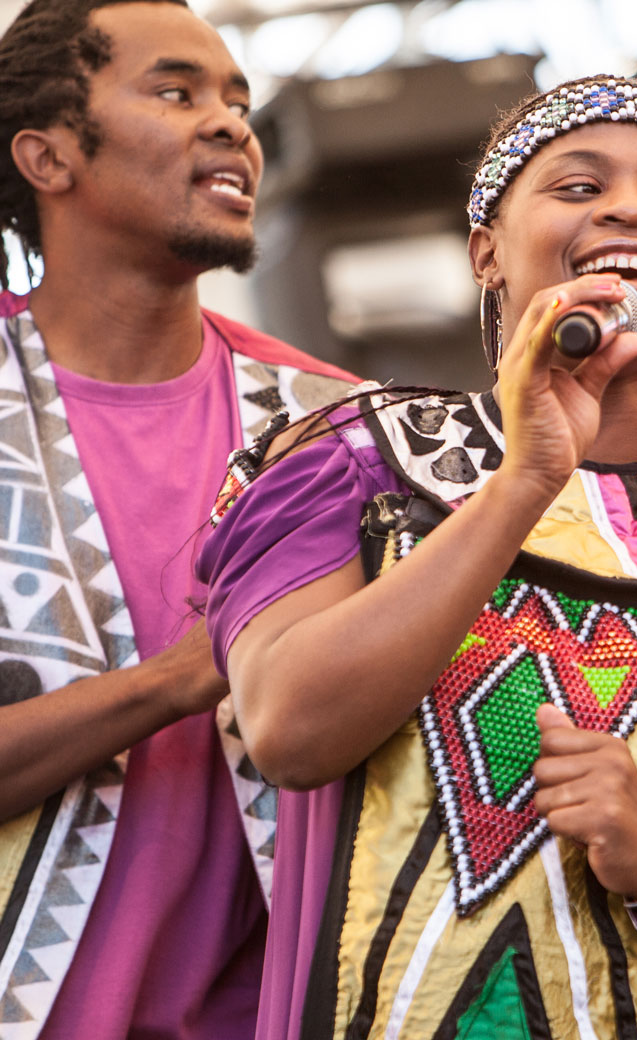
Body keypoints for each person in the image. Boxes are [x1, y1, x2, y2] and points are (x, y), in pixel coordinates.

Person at [197, 75, 637, 1040]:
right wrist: (526, 479)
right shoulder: (353, 467)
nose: (631, 208)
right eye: (579, 187)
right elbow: (289, 728)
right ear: (486, 251)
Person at [0, 0, 354, 1034]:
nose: (229, 123)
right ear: (48, 156)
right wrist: (182, 676)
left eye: (236, 101)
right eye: (175, 91)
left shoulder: (337, 426)